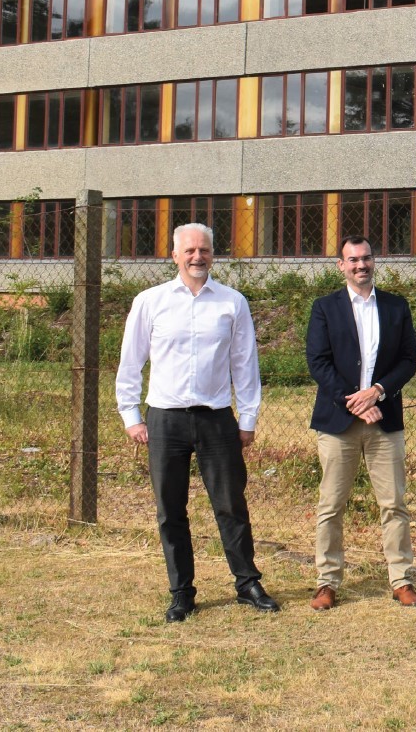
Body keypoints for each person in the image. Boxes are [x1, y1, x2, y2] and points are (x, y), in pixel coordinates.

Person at [115, 223, 279, 623]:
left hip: (216, 420)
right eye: (189, 251)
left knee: (231, 505)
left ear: (213, 254)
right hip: (164, 420)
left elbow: (245, 365)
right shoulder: (150, 302)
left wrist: (249, 418)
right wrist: (131, 415)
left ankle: (247, 583)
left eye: (204, 250)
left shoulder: (232, 303)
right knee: (170, 510)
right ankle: (181, 592)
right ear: (174, 256)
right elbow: (131, 362)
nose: (197, 257)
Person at [305, 236, 416, 610]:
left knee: (394, 504)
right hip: (338, 421)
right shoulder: (325, 308)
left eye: (367, 258)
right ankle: (327, 582)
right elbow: (318, 362)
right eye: (352, 259)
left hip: (384, 421)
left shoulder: (395, 306)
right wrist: (353, 402)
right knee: (331, 505)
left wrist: (379, 391)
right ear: (341, 265)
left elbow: (408, 360)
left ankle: (401, 579)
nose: (361, 265)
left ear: (375, 261)